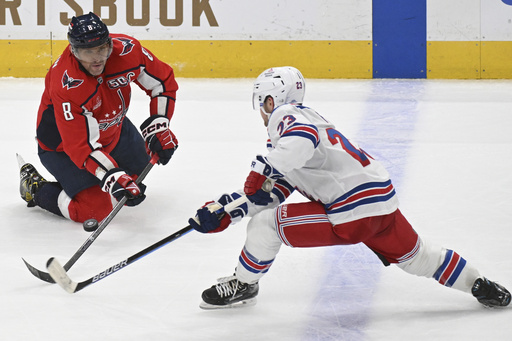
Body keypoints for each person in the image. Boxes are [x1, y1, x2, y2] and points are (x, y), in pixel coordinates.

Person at [189, 66, 510, 310]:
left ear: (271, 99)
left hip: (351, 211)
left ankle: (245, 284)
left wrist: (264, 169)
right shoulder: (306, 126)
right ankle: (479, 283)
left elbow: (296, 144)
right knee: (418, 257)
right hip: (380, 200)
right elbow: (271, 193)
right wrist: (228, 211)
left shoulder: (286, 118)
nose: (261, 110)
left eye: (262, 102)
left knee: (265, 227)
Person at [18, 12, 179, 223]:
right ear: (74, 51)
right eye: (88, 52)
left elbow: (162, 82)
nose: (97, 58)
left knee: (138, 174)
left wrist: (159, 124)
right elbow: (81, 147)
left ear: (110, 43)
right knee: (94, 210)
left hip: (114, 130)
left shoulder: (128, 50)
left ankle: (94, 178)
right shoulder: (66, 83)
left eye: (102, 48)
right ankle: (36, 188)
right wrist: (110, 174)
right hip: (63, 148)